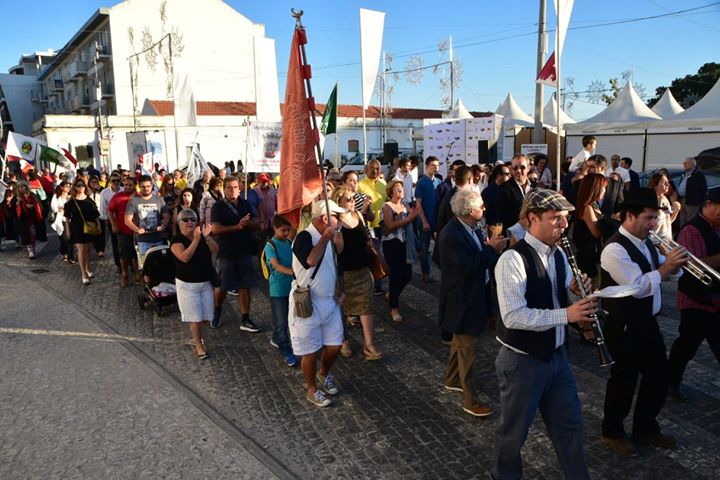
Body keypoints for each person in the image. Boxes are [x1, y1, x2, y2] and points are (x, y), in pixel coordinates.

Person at [492, 189, 596, 480]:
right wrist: (569, 315)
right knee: (512, 437)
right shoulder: (511, 260)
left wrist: (576, 293)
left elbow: (559, 296)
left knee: (571, 428)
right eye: (556, 219)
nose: (564, 226)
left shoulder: (560, 254)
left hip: (557, 358)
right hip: (522, 362)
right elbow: (513, 316)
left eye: (565, 219)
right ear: (531, 219)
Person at [599, 189, 688, 457]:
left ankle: (645, 428)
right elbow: (637, 286)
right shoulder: (615, 248)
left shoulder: (645, 242)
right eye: (649, 218)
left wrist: (677, 263)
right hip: (624, 324)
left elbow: (663, 269)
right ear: (629, 216)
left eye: (655, 218)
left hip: (647, 322)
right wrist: (665, 268)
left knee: (659, 376)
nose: (653, 224)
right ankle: (612, 431)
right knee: (624, 381)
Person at [439, 189, 505, 417]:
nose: (484, 209)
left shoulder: (470, 228)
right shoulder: (452, 235)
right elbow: (469, 266)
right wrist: (490, 249)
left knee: (460, 342)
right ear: (469, 210)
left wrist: (490, 248)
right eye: (481, 206)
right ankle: (470, 400)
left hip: (470, 296)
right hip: (461, 299)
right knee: (467, 349)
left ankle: (452, 379)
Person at [288, 200, 346, 407]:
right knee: (310, 352)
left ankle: (323, 374)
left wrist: (341, 289)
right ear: (324, 218)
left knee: (335, 346)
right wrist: (325, 238)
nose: (339, 221)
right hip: (308, 303)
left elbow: (334, 267)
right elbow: (310, 261)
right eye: (336, 216)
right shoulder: (304, 237)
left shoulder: (331, 239)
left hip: (330, 302)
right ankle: (311, 389)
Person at [668, 189, 720, 402]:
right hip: (695, 299)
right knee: (687, 344)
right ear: (708, 204)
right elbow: (695, 264)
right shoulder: (691, 230)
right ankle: (670, 381)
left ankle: (670, 380)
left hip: (715, 298)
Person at [333, 186, 383, 361]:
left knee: (367, 307)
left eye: (353, 198)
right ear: (338, 202)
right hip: (344, 273)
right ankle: (343, 341)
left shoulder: (359, 215)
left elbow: (366, 236)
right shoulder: (335, 221)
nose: (353, 202)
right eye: (348, 199)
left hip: (363, 270)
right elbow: (338, 251)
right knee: (344, 310)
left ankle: (369, 346)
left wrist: (370, 243)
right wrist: (337, 232)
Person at [210, 175, 261, 332]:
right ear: (224, 189)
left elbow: (256, 221)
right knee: (223, 285)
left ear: (240, 188)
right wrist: (237, 227)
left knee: (245, 285)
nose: (232, 190)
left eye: (235, 187)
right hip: (226, 252)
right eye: (229, 187)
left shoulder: (245, 204)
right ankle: (217, 311)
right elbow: (215, 229)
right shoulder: (218, 207)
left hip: (244, 250)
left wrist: (248, 224)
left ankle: (245, 318)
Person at [170, 208, 219, 360]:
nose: (189, 222)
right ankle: (199, 345)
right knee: (195, 318)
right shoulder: (176, 241)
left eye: (192, 219)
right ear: (179, 223)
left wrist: (207, 237)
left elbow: (216, 250)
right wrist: (197, 240)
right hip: (187, 285)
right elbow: (184, 257)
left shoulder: (202, 236)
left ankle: (196, 333)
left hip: (205, 283)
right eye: (185, 220)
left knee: (206, 316)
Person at [382, 180, 419, 323]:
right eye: (397, 189)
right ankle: (394, 308)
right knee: (395, 275)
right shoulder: (387, 206)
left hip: (404, 243)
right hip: (391, 244)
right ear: (391, 192)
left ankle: (392, 294)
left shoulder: (404, 206)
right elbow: (390, 225)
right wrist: (408, 218)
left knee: (408, 275)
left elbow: (411, 221)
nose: (401, 191)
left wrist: (414, 216)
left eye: (401, 189)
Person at [263, 215, 297, 367]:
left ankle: (276, 338)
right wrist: (293, 272)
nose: (285, 233)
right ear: (275, 228)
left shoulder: (289, 242)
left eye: (287, 230)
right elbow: (276, 266)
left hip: (291, 287)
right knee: (281, 321)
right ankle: (285, 349)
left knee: (288, 319)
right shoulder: (270, 246)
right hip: (278, 290)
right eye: (283, 230)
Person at [63, 179, 101, 284]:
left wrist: (99, 225)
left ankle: (88, 268)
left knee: (88, 249)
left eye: (82, 185)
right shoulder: (71, 202)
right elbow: (66, 218)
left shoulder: (89, 200)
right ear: (74, 187)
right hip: (76, 228)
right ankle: (83, 274)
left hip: (89, 227)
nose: (80, 188)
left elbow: (96, 214)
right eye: (78, 186)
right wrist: (68, 231)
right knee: (81, 249)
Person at [358, 159, 387, 294]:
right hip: (368, 226)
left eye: (377, 168)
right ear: (366, 170)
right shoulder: (360, 185)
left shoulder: (383, 184)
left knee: (379, 253)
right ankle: (375, 284)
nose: (375, 171)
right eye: (372, 168)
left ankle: (377, 281)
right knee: (373, 253)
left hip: (381, 224)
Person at [572, 173, 608, 284]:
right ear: (596, 188)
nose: (604, 191)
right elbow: (596, 232)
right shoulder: (587, 208)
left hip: (590, 252)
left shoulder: (593, 205)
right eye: (603, 188)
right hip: (588, 254)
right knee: (592, 286)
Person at [108, 176, 141, 287]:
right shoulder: (117, 197)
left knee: (136, 254)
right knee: (124, 255)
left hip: (138, 231)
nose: (127, 187)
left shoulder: (139, 196)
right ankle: (125, 273)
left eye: (130, 185)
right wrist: (114, 225)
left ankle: (137, 273)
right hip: (123, 231)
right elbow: (109, 210)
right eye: (125, 185)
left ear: (135, 186)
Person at [124, 175, 168, 256]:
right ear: (139, 187)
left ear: (152, 186)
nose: (146, 188)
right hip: (142, 241)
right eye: (143, 186)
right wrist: (137, 230)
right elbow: (127, 220)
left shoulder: (159, 199)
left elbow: (166, 217)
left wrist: (163, 226)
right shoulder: (133, 201)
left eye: (148, 186)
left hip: (158, 239)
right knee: (144, 266)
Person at [415, 156, 442, 283]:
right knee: (425, 249)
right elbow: (418, 204)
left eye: (437, 165)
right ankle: (426, 272)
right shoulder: (421, 182)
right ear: (426, 166)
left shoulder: (439, 182)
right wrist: (424, 221)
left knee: (441, 248)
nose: (435, 168)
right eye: (433, 165)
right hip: (425, 221)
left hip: (438, 221)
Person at [498, 154, 532, 233]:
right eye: (515, 167)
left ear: (529, 168)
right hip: (515, 234)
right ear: (511, 169)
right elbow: (504, 216)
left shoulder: (535, 187)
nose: (518, 170)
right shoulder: (504, 189)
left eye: (522, 167)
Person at [14, 181, 46, 259]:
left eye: (23, 186)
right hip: (23, 220)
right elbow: (13, 210)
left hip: (33, 218)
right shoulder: (17, 198)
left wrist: (33, 206)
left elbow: (39, 205)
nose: (21, 188)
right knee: (27, 235)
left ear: (26, 187)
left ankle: (32, 248)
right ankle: (30, 251)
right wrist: (18, 204)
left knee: (33, 234)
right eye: (19, 187)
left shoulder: (33, 195)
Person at [648, 173, 681, 240]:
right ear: (655, 185)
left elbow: (668, 220)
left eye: (668, 182)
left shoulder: (665, 199)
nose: (668, 184)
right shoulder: (650, 201)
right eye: (664, 182)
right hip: (654, 241)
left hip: (665, 241)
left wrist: (676, 210)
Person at [99, 173, 122, 271]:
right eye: (114, 180)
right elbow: (103, 208)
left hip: (124, 220)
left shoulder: (124, 190)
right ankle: (118, 264)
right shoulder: (105, 192)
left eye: (118, 180)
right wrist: (106, 219)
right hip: (112, 220)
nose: (116, 182)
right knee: (115, 243)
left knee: (126, 242)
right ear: (110, 181)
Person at [677, 157, 707, 229]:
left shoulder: (698, 174)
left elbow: (703, 189)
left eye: (686, 163)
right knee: (682, 218)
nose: (684, 164)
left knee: (691, 219)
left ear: (692, 164)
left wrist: (700, 200)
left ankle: (690, 233)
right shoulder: (685, 174)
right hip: (683, 199)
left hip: (693, 201)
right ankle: (682, 233)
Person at [50, 181, 76, 264]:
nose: (68, 188)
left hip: (71, 219)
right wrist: (58, 209)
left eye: (69, 186)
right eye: (66, 186)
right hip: (61, 219)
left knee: (70, 238)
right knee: (63, 238)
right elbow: (53, 206)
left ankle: (70, 256)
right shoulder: (57, 196)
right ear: (61, 187)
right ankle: (64, 252)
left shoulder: (71, 196)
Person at [482, 163, 511, 228]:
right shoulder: (488, 192)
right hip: (494, 226)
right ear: (498, 175)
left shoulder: (509, 189)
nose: (510, 176)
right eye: (507, 174)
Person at [87, 176, 106, 257]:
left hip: (100, 214)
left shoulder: (101, 190)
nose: (94, 184)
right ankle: (97, 248)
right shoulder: (87, 192)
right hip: (91, 215)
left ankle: (101, 249)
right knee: (94, 233)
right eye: (92, 182)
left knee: (101, 232)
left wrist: (99, 188)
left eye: (96, 182)